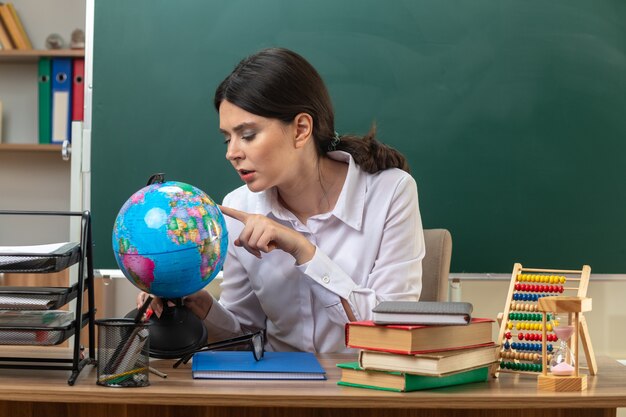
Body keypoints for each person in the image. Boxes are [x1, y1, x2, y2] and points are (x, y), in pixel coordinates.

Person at [138, 47, 425, 353]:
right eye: (227, 138)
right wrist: (203, 307)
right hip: (276, 391)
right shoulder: (240, 209)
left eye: (247, 135)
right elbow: (245, 334)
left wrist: (303, 251)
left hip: (361, 390)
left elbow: (391, 331)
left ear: (301, 129)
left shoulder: (391, 192)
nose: (231, 152)